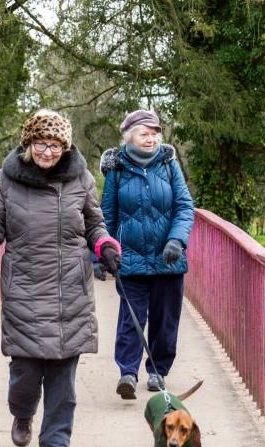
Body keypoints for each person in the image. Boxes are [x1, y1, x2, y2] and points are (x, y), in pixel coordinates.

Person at [0, 109, 121, 447]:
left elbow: (94, 224)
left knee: (63, 379)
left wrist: (106, 247)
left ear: (65, 147)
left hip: (71, 289)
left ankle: (57, 445)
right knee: (24, 374)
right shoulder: (5, 181)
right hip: (24, 291)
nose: (47, 152)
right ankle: (22, 414)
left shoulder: (81, 179)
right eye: (40, 143)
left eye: (54, 145)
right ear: (28, 143)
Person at [99, 109, 195, 400]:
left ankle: (158, 371)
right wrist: (102, 252)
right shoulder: (116, 170)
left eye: (155, 133)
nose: (151, 138)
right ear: (129, 137)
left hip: (169, 259)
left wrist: (176, 240)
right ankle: (127, 372)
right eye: (144, 133)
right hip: (131, 259)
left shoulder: (169, 166)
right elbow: (106, 215)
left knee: (165, 320)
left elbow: (184, 207)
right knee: (131, 319)